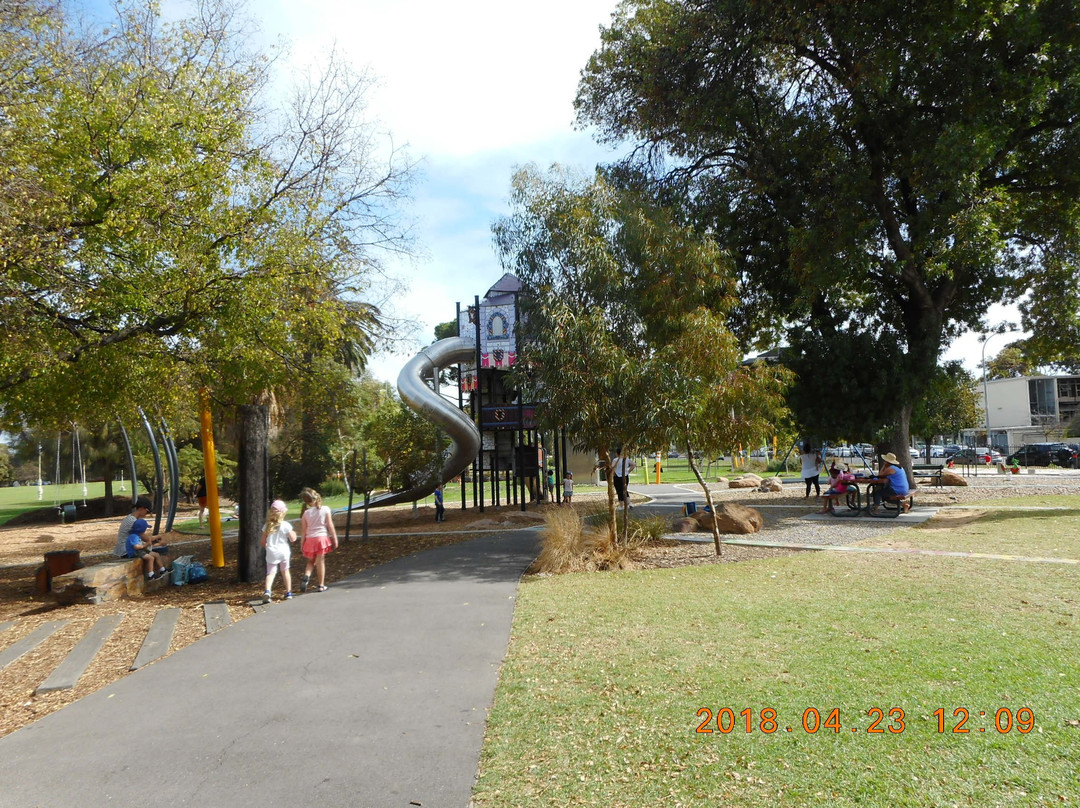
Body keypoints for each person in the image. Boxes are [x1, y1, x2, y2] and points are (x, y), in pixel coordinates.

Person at [299, 487, 338, 593]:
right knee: (320, 562)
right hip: (321, 538)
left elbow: (303, 531)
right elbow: (330, 525)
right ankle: (321, 585)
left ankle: (307, 576)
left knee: (310, 561)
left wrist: (302, 544)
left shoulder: (306, 513)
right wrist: (334, 538)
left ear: (306, 501)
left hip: (310, 539)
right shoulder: (325, 509)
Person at [261, 499, 296, 602]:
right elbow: (293, 539)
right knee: (285, 571)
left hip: (272, 552)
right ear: (283, 512)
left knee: (270, 573)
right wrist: (293, 532)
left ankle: (267, 591)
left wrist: (267, 547)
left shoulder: (267, 525)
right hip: (284, 551)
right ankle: (288, 592)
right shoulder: (285, 525)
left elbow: (263, 541)